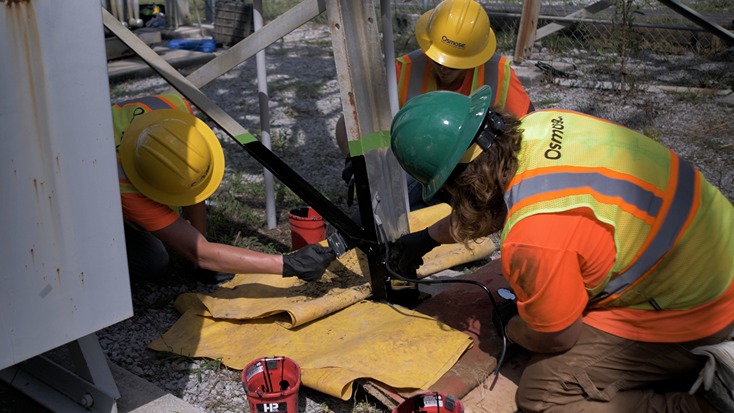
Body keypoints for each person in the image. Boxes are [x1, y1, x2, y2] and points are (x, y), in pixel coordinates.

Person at [389, 86, 734, 412]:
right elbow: (496, 201)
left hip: (703, 309)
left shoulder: (533, 238)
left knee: (544, 393)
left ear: (458, 186)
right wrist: (426, 239)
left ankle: (704, 405)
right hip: (710, 249)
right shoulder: (542, 126)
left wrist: (516, 327)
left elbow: (557, 337)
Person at [113, 94, 336, 284]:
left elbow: (191, 185)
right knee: (152, 261)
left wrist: (200, 249)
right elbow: (197, 250)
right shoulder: (122, 187)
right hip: (93, 208)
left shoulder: (174, 111)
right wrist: (288, 264)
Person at [337, 0, 534, 210]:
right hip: (414, 173)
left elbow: (531, 128)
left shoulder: (498, 72)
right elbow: (349, 120)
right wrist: (355, 160)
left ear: (476, 57)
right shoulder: (403, 70)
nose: (443, 67)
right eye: (438, 58)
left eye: (454, 63)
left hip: (473, 179)